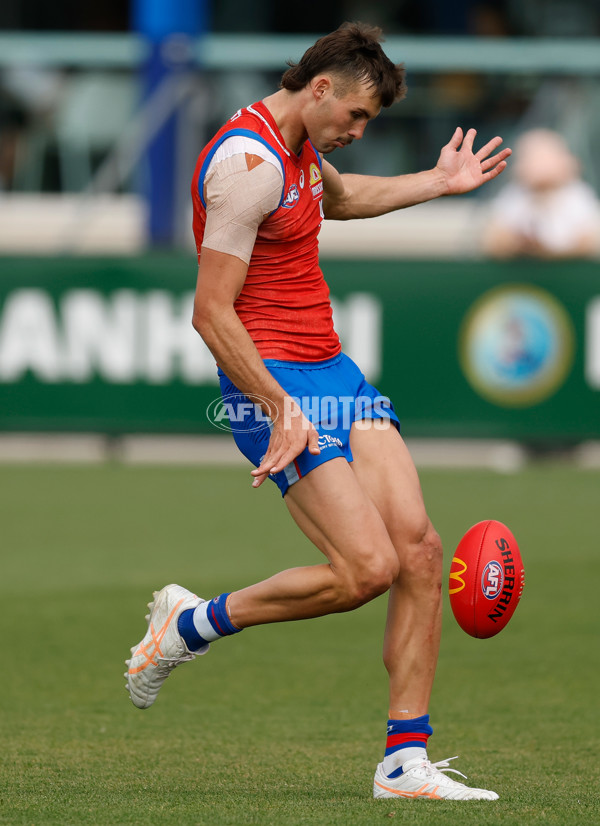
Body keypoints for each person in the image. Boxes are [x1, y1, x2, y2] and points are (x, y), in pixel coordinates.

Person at [125, 22, 511, 801]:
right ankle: (192, 625)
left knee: (420, 552)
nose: (359, 131)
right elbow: (210, 312)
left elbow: (345, 198)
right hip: (271, 382)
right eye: (357, 116)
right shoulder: (247, 166)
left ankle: (404, 763)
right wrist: (278, 406)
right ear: (321, 88)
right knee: (366, 570)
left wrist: (438, 182)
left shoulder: (302, 146)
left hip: (334, 371)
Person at [483, 127, 600, 259]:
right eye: (529, 157)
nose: (535, 164)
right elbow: (494, 241)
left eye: (543, 157)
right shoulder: (514, 194)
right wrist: (519, 245)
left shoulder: (577, 194)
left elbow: (588, 242)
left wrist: (549, 251)